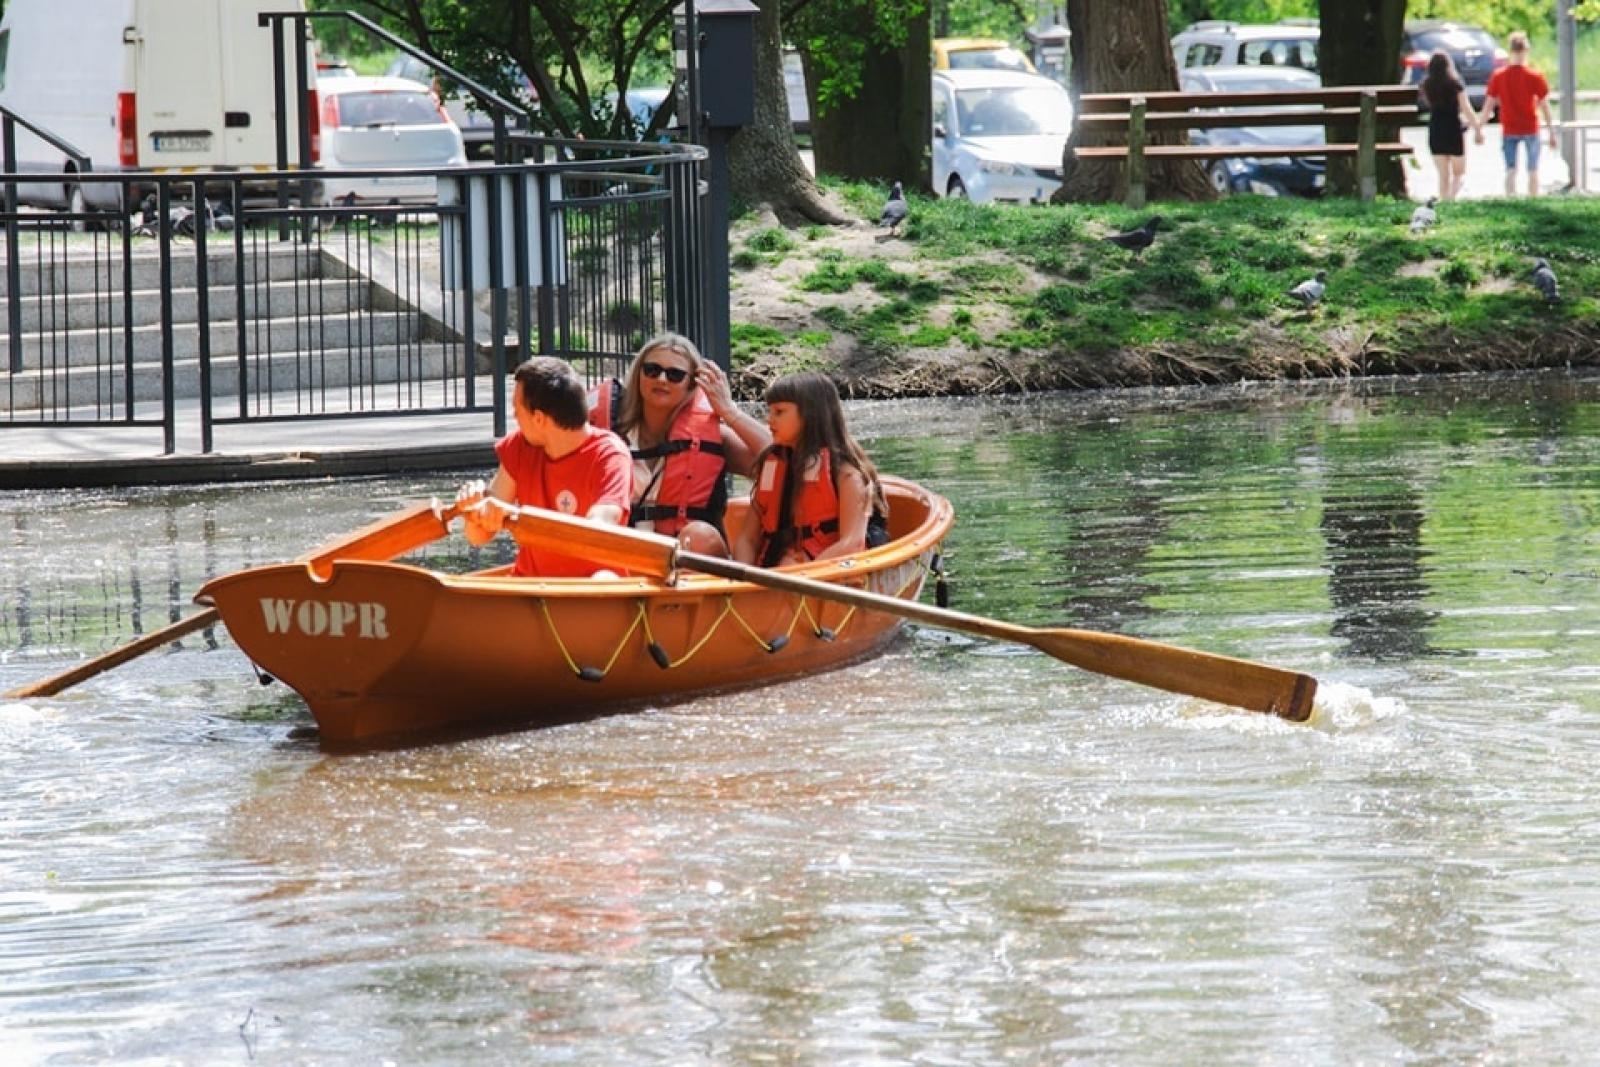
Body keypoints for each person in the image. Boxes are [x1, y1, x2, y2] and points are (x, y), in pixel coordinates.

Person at [589, 333, 771, 557]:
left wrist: (729, 411)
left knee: (700, 535)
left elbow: (778, 460)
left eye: (675, 374)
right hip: (622, 556)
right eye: (652, 370)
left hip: (686, 561)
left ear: (691, 384)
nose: (662, 379)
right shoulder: (605, 432)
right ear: (639, 375)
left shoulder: (712, 436)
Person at [459, 356, 633, 578]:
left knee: (604, 579)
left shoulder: (610, 455)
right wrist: (473, 511)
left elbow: (596, 531)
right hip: (530, 589)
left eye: (516, 409)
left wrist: (517, 515)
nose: (514, 417)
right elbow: (478, 535)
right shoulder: (519, 446)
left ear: (539, 419)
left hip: (591, 591)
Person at [732, 371, 890, 568]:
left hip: (824, 572)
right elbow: (748, 539)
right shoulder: (772, 465)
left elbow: (852, 543)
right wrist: (743, 576)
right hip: (775, 571)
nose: (769, 420)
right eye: (769, 411)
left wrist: (802, 575)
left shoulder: (845, 473)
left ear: (810, 415)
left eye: (779, 412)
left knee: (789, 563)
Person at [1480, 30, 1558, 197]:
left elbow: (1488, 105)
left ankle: (1510, 199)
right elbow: (1545, 106)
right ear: (1526, 50)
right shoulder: (1535, 76)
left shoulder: (1498, 76)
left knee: (1510, 169)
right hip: (1530, 126)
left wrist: (1480, 128)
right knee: (1533, 169)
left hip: (1509, 127)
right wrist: (1552, 131)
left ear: (1511, 50)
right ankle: (1533, 199)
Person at [1420, 50, 1484, 202]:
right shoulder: (1455, 84)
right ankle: (1450, 200)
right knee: (1459, 174)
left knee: (1443, 176)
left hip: (1435, 130)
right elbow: (1467, 108)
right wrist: (1477, 129)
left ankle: (1443, 202)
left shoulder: (1427, 85)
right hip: (1453, 130)